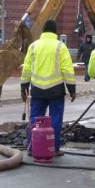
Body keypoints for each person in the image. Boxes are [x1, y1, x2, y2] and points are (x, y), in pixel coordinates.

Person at [20, 20, 76, 157]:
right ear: (55, 32)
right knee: (55, 119)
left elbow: (26, 69)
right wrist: (72, 90)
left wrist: (24, 87)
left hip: (37, 89)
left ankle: (32, 147)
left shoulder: (33, 46)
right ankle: (54, 148)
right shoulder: (60, 47)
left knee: (35, 119)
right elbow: (67, 70)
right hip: (55, 90)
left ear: (43, 32)